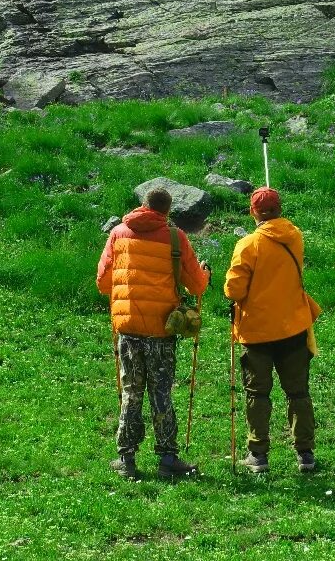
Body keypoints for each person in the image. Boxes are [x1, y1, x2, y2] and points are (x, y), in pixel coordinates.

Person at [97, 187, 209, 479]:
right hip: (161, 329)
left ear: (142, 205)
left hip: (128, 327)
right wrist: (206, 273)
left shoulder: (118, 234)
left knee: (132, 392)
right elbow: (196, 286)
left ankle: (126, 458)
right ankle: (168, 458)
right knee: (160, 391)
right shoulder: (175, 237)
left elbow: (103, 282)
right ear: (168, 211)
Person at [224, 187, 321, 474]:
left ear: (252, 212)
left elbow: (234, 289)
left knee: (258, 393)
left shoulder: (248, 245)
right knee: (298, 393)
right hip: (293, 327)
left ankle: (258, 454)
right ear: (280, 208)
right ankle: (305, 454)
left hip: (257, 332)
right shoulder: (295, 236)